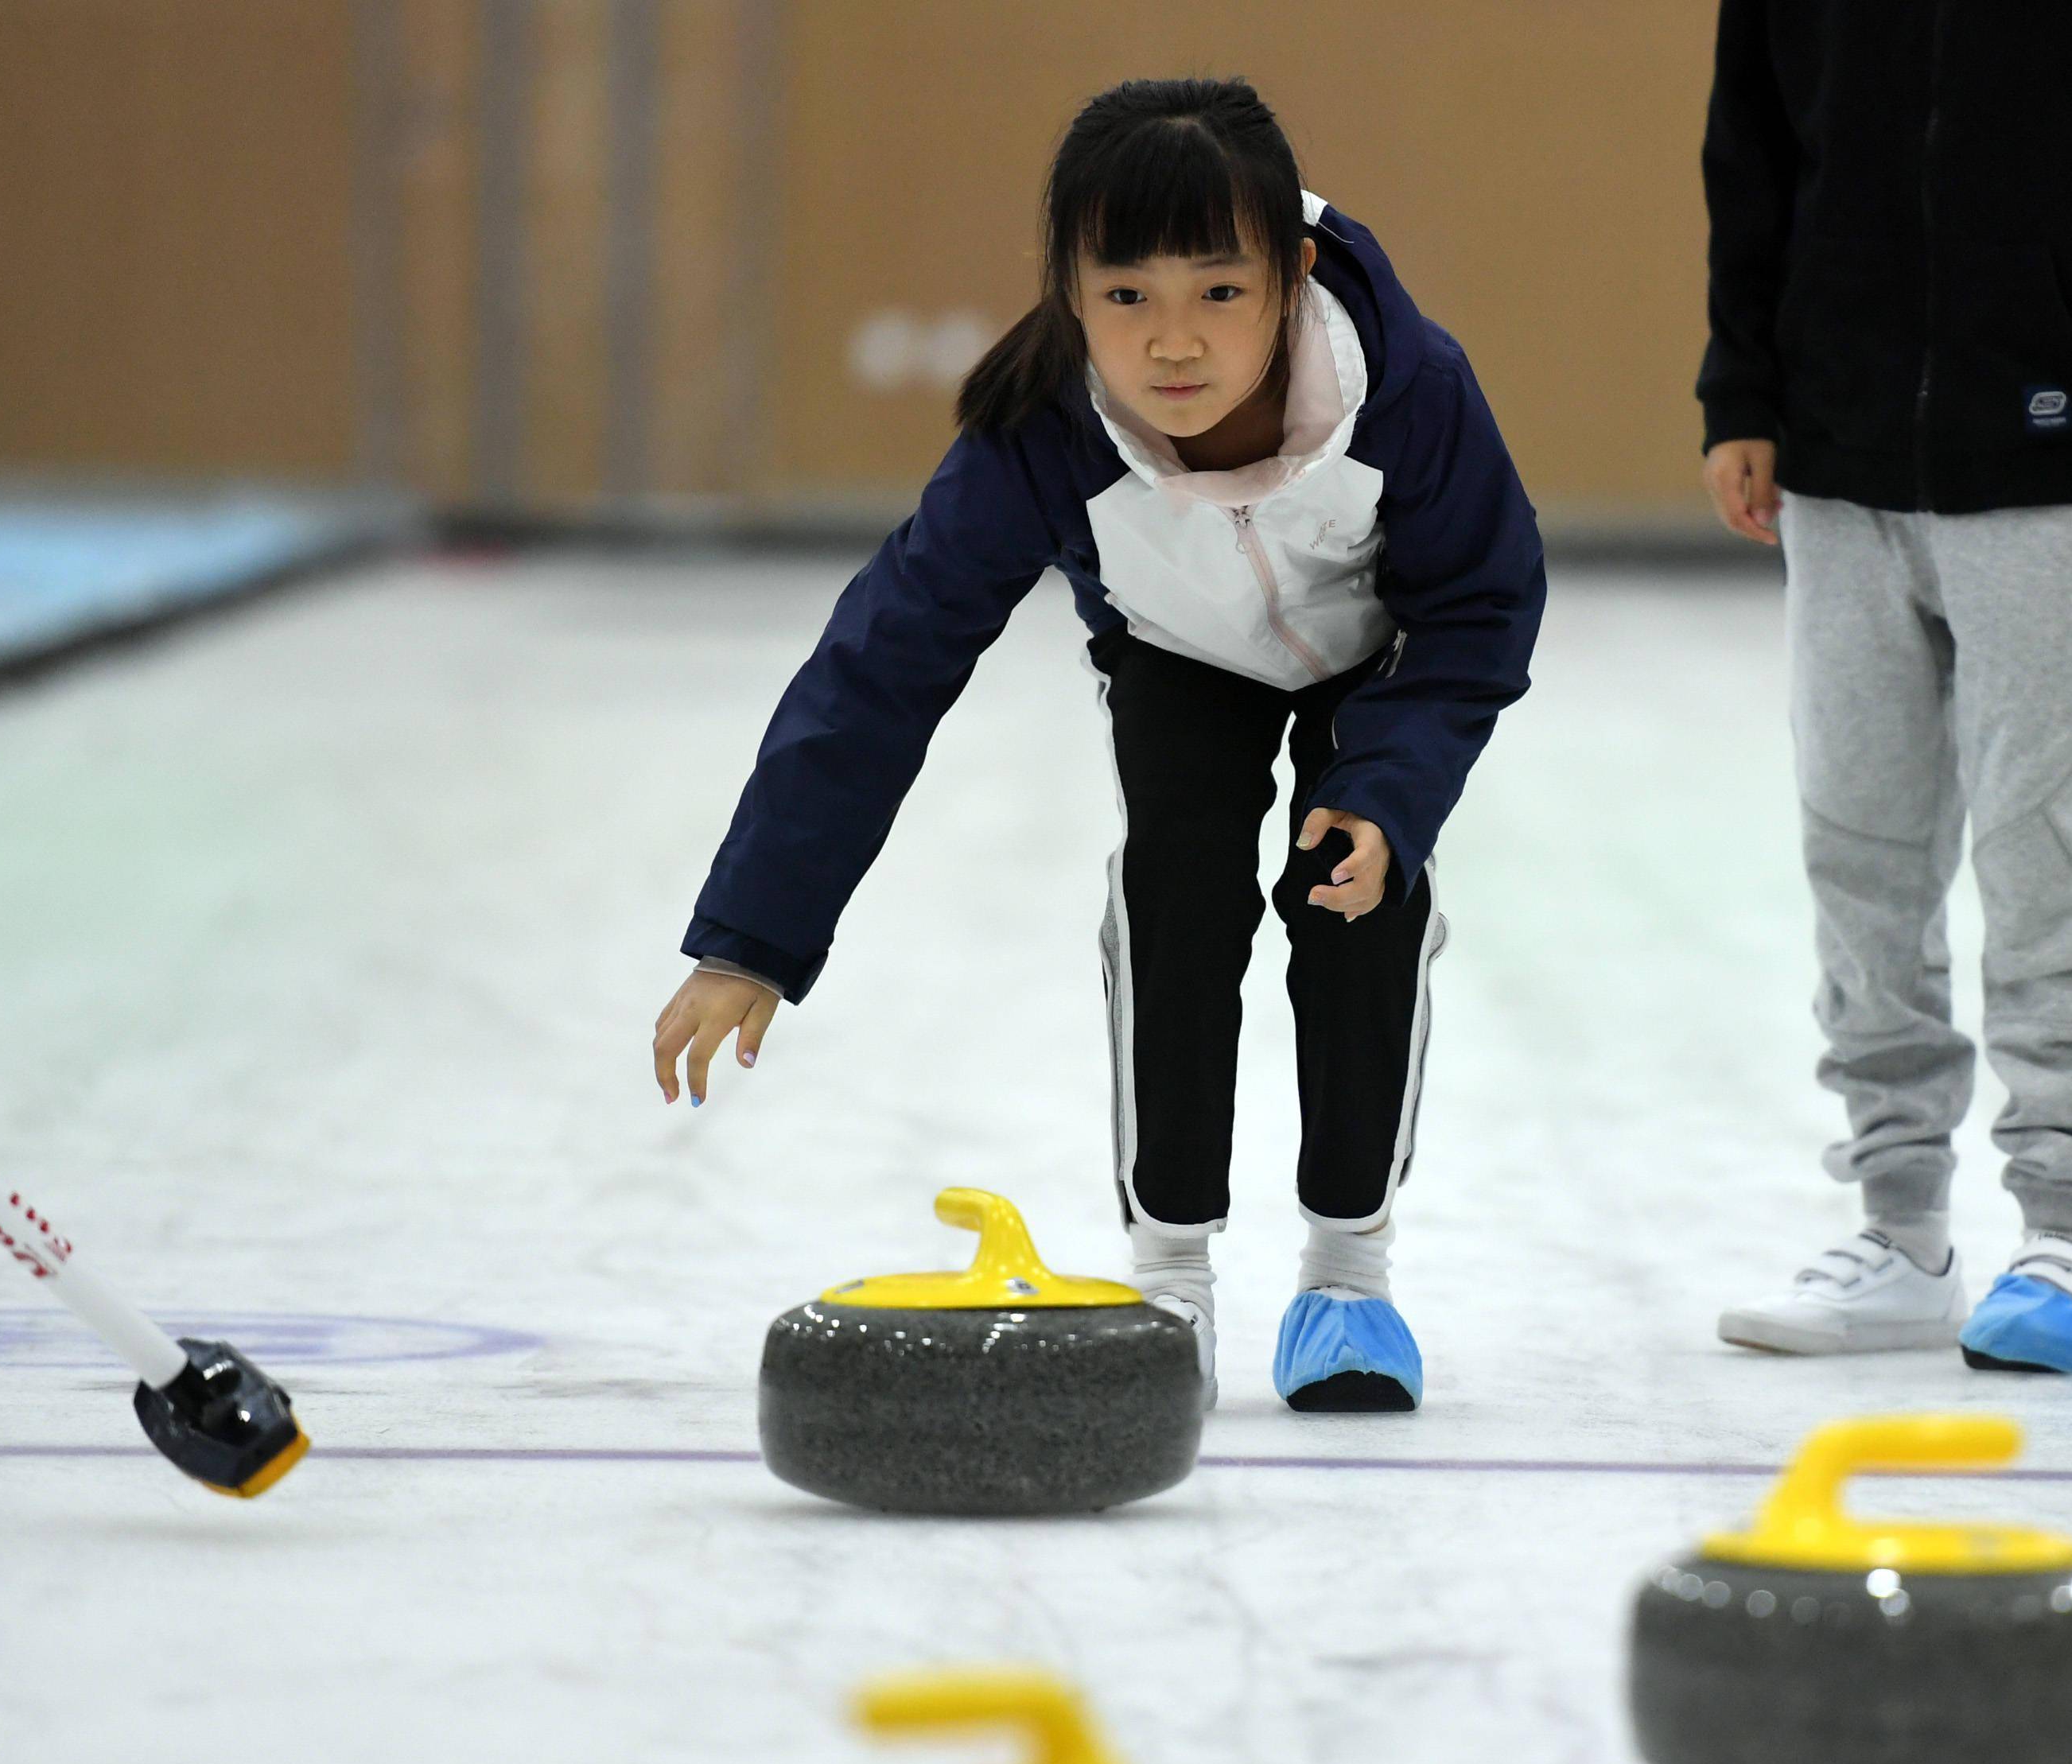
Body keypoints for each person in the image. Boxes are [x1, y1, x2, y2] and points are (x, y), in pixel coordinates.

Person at [651, 78, 1545, 1412]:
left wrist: (1391, 792)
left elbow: (1481, 604)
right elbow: (881, 668)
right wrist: (751, 937)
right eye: (1126, 297)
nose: (1173, 344)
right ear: (1069, 287)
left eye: (1219, 295)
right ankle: (1170, 1278)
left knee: (1354, 892)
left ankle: (1350, 1282)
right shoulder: (1043, 431)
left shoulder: (1408, 389)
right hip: (1178, 657)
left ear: (1292, 280)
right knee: (1177, 896)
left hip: (1383, 661)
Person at [1697, 2, 2072, 1371]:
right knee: (1861, 856)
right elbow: (1750, 164)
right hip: (1836, 468)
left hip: (2053, 479)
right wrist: (1742, 394)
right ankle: (1901, 1233)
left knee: (2054, 858)